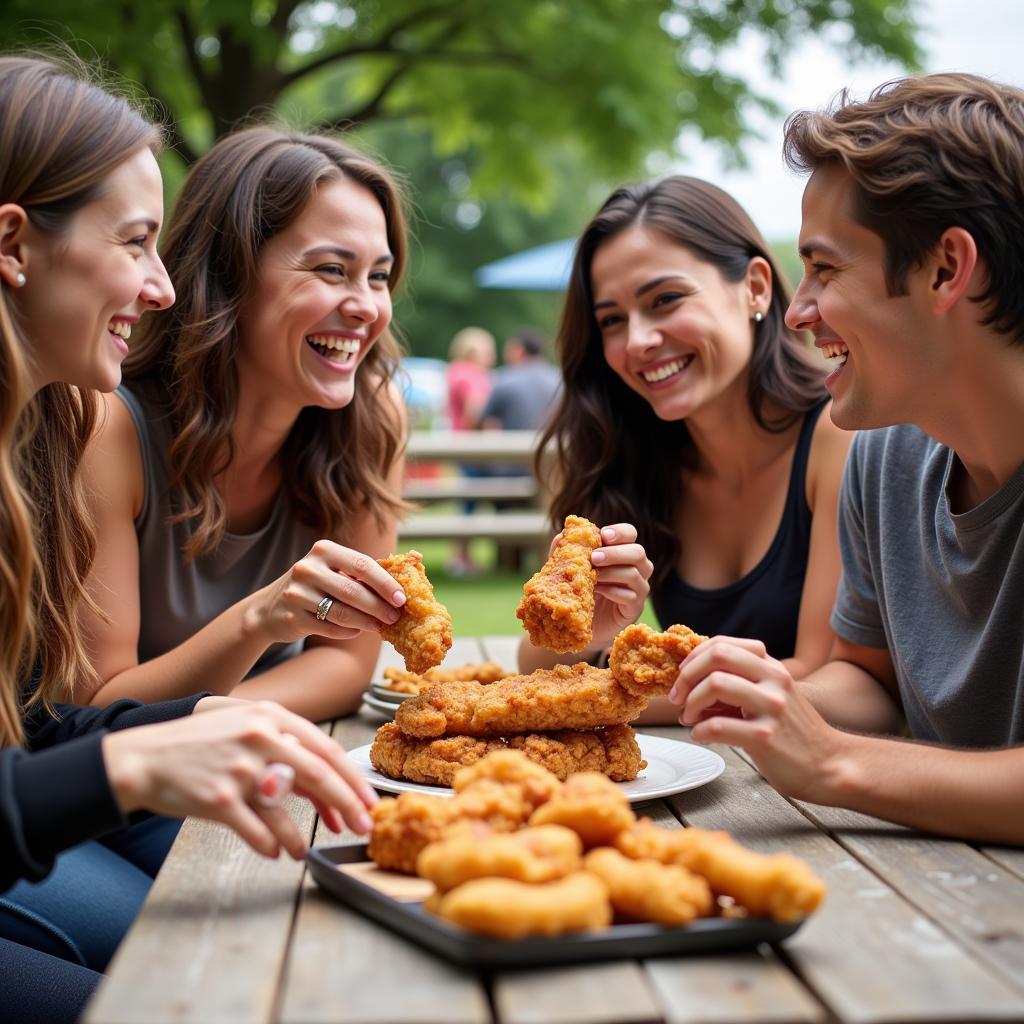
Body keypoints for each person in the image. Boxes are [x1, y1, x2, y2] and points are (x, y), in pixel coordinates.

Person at [0, 55, 377, 1022]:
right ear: (14, 245)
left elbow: (42, 729)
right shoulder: (91, 427)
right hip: (60, 828)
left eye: (378, 276)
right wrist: (140, 755)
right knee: (230, 973)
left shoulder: (25, 441)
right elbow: (77, 717)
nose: (160, 286)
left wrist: (197, 725)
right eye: (135, 242)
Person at [669, 73, 1024, 846]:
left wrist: (833, 764)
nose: (797, 314)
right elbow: (872, 680)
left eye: (825, 270)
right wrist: (755, 693)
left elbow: (840, 756)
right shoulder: (884, 453)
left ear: (945, 269)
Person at [77, 127, 412, 722]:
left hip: (246, 767)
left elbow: (345, 663)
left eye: (379, 276)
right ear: (228, 276)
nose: (366, 306)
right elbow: (98, 705)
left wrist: (226, 722)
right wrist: (259, 621)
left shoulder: (371, 423)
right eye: (332, 269)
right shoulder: (107, 429)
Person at [520, 176, 852, 724]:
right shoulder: (629, 454)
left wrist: (607, 689)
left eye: (665, 300)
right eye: (611, 320)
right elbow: (534, 667)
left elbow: (819, 676)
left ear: (755, 288)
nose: (638, 341)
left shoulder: (838, 435)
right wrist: (596, 632)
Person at [444, 325, 496, 575]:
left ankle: (462, 556)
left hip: (461, 445)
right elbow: (474, 409)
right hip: (472, 447)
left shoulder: (455, 371)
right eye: (488, 350)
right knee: (469, 504)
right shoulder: (468, 373)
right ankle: (460, 559)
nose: (491, 356)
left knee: (469, 503)